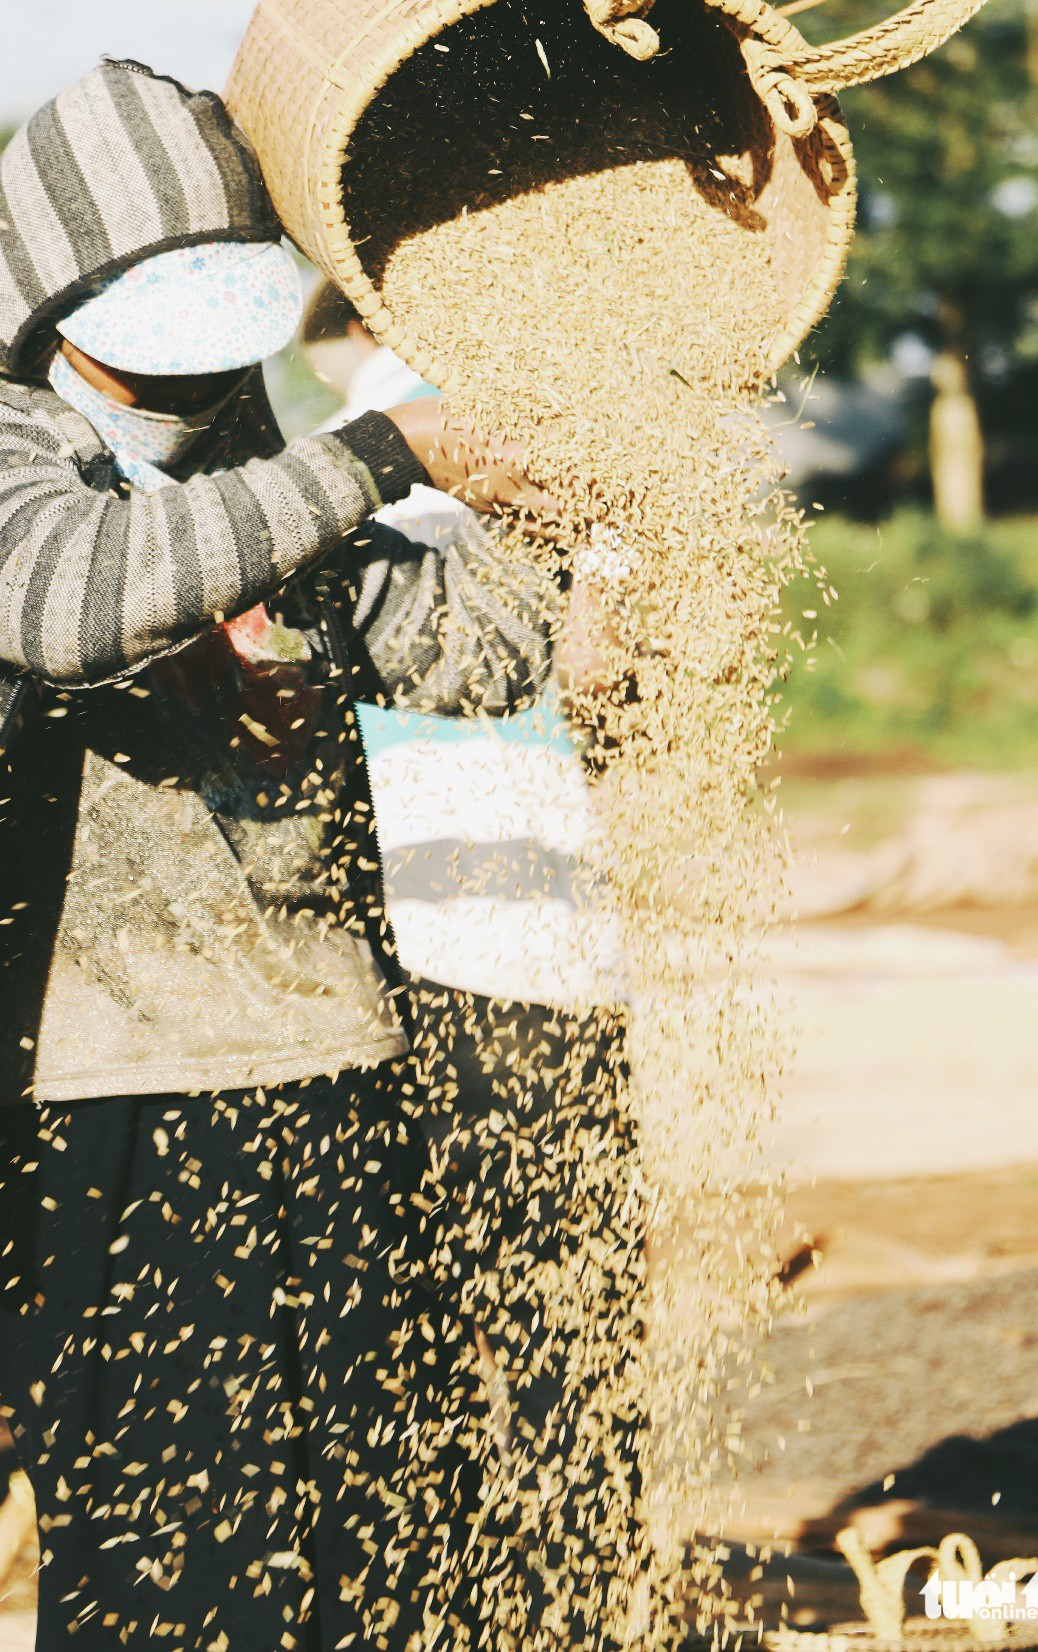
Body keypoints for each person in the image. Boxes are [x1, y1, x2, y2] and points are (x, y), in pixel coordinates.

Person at [0, 59, 567, 1651]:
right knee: (175, 1569)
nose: (181, 389)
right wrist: (373, 458)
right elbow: (65, 593)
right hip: (104, 1104)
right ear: (42, 296)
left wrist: (560, 492)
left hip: (339, 1077)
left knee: (378, 1557)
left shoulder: (256, 478)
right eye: (151, 351)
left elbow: (466, 655)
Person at [304, 285, 652, 1650]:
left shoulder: (381, 450)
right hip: (533, 951)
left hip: (428, 957)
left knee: (431, 1325)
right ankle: (575, 1600)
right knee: (567, 1322)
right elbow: (605, 636)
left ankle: (459, 1602)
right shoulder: (474, 437)